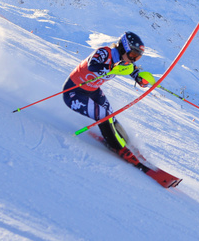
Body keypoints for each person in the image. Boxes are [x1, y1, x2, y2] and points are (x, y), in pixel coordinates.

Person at [63, 31, 155, 164]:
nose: (134, 59)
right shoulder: (104, 53)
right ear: (124, 47)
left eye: (138, 57)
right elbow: (92, 65)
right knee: (103, 115)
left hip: (93, 91)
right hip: (74, 93)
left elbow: (133, 70)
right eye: (133, 55)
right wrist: (111, 66)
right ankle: (120, 149)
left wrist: (140, 79)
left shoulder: (125, 62)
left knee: (111, 115)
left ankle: (127, 144)